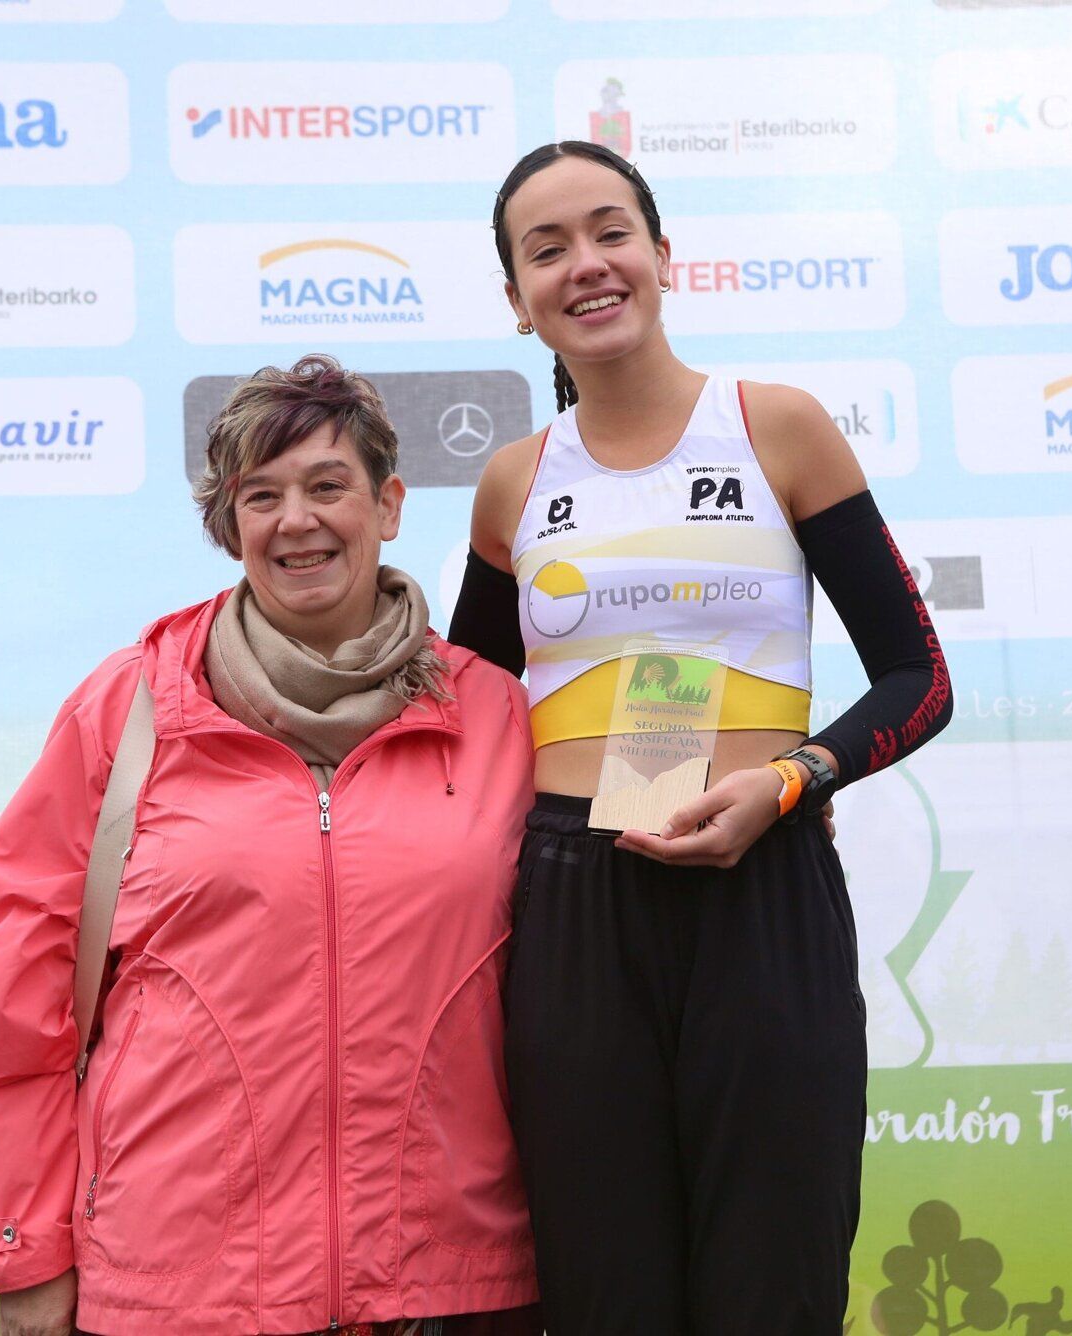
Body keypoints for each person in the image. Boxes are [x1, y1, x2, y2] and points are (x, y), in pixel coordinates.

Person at [0, 356, 544, 1336]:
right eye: (261, 495)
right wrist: (24, 1251)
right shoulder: (126, 709)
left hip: (449, 1285)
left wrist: (768, 798)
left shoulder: (496, 714)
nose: (296, 519)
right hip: (179, 1289)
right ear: (231, 526)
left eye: (327, 486)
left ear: (387, 505)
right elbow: (13, 985)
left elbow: (598, 930)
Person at [449, 141, 953, 1335]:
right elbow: (461, 715)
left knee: (770, 1289)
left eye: (610, 231)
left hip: (762, 882)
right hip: (575, 903)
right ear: (517, 303)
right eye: (546, 248)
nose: (586, 264)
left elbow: (916, 676)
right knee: (603, 1299)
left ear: (664, 258)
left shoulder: (777, 427)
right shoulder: (510, 483)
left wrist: (795, 779)